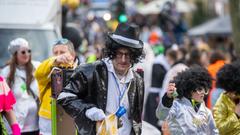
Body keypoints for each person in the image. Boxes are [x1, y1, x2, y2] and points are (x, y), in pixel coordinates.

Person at [57, 23, 145, 135]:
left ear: (134, 56)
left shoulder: (138, 80)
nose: (123, 59)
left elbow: (136, 120)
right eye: (119, 54)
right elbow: (64, 96)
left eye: (128, 55)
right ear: (112, 52)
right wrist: (88, 110)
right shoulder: (91, 71)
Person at [156, 66, 219, 134]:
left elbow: (214, 132)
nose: (203, 93)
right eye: (200, 89)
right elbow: (161, 115)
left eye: (205, 90)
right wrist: (167, 99)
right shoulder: (177, 106)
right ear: (190, 90)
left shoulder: (207, 112)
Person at [34, 38, 78, 135]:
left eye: (62, 52)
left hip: (69, 119)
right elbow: (38, 74)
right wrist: (54, 61)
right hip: (47, 120)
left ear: (72, 55)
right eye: (55, 53)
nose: (58, 56)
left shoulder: (78, 71)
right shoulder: (48, 69)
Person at [1, 38, 40, 134]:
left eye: (28, 51)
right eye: (23, 52)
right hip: (17, 125)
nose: (26, 54)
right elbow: (5, 102)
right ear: (15, 54)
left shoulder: (37, 67)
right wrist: (15, 128)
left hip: (36, 125)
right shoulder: (6, 72)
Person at [213, 61, 240, 134]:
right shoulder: (221, 102)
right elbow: (218, 129)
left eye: (235, 91)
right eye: (229, 91)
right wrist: (236, 115)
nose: (233, 94)